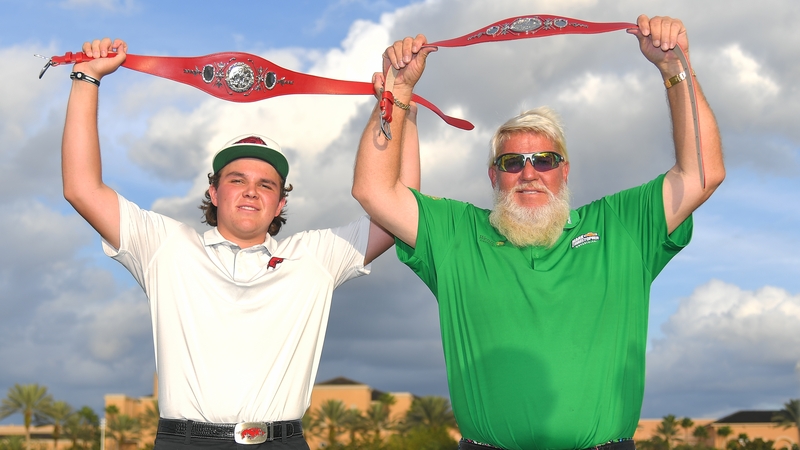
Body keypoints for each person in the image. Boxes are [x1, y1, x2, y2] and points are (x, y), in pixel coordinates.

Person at [353, 15, 724, 450]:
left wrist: (674, 69)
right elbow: (374, 191)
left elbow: (703, 172)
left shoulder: (621, 224)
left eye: (544, 160)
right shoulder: (457, 233)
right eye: (513, 163)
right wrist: (396, 94)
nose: (529, 174)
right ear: (494, 176)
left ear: (564, 170)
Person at [61, 38, 420, 450]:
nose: (251, 192)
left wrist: (401, 101)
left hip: (283, 441)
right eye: (237, 180)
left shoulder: (315, 256)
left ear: (280, 202)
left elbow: (400, 208)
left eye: (266, 184)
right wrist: (86, 78)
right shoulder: (165, 246)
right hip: (185, 442)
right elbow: (82, 189)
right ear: (213, 192)